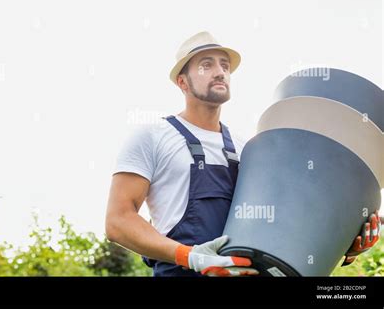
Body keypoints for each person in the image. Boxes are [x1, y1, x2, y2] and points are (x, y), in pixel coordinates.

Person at [105, 31, 381, 277]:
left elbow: (291, 226)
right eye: (206, 65)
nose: (219, 72)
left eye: (224, 66)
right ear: (182, 82)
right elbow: (118, 221)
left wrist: (348, 243)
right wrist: (189, 256)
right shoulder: (152, 137)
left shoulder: (249, 148)